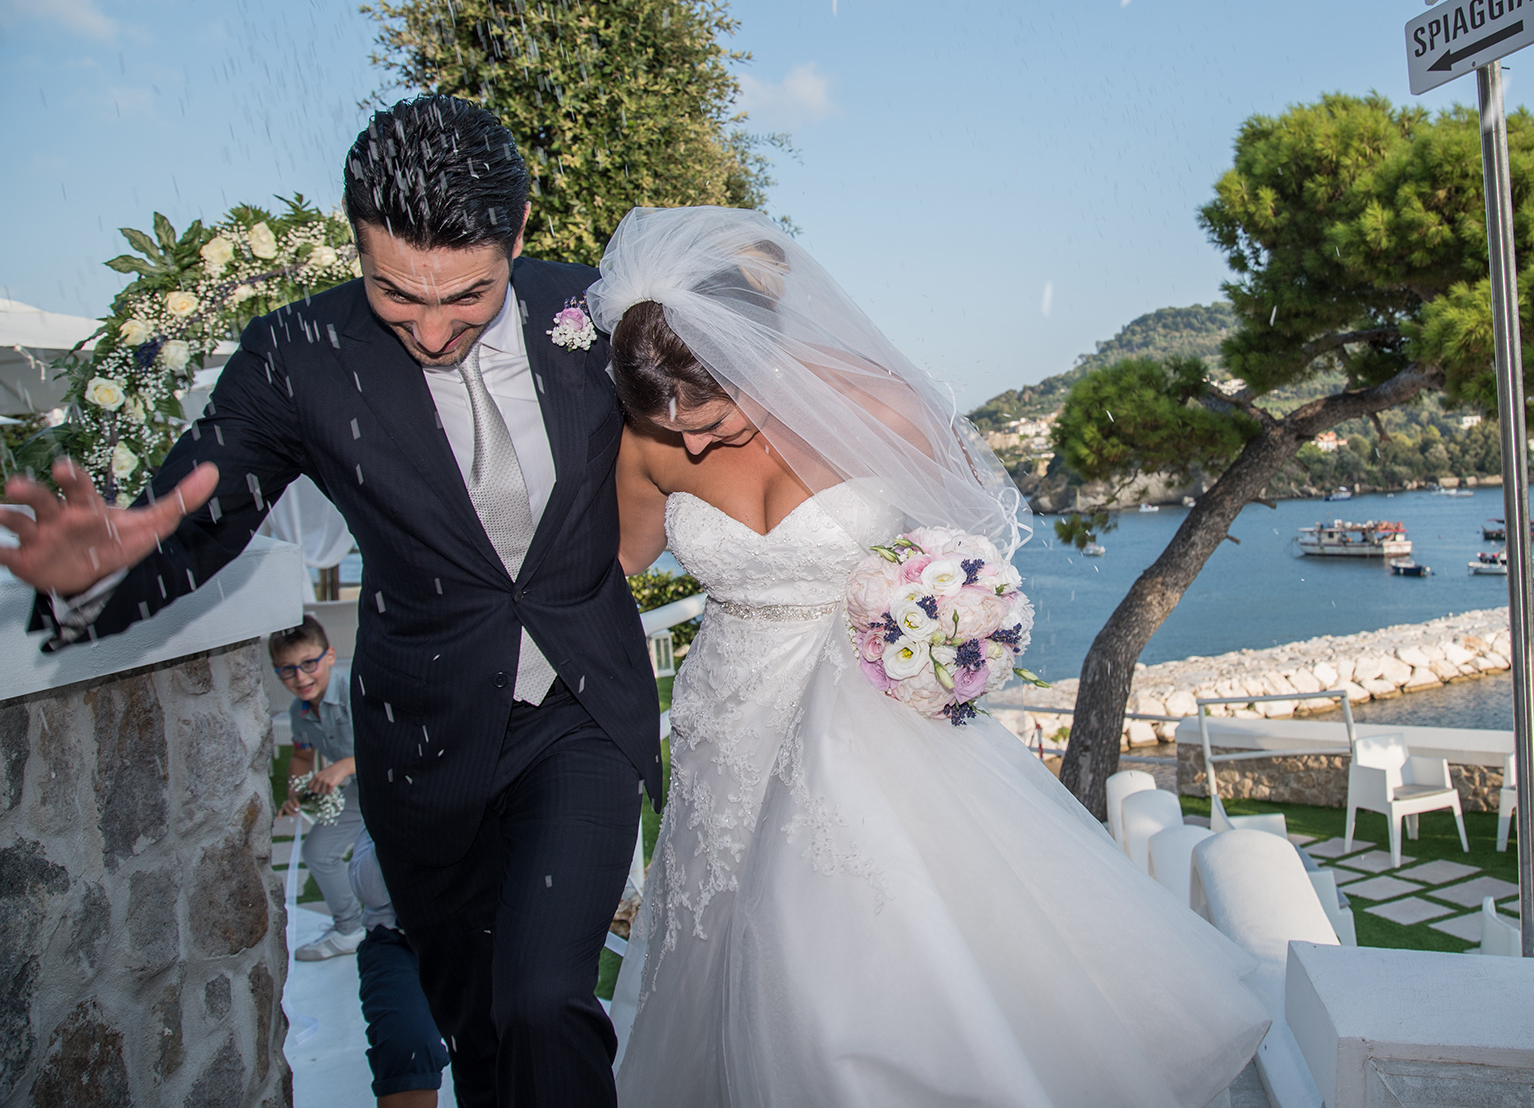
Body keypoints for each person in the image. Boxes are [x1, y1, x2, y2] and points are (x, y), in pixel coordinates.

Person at [0, 94, 659, 1108]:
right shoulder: (296, 354)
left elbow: (714, 428)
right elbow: (197, 508)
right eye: (397, 294)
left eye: (468, 296)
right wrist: (99, 572)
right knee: (476, 1021)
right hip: (425, 739)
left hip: (581, 712)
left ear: (520, 236)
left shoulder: (599, 313)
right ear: (356, 242)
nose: (434, 330)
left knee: (542, 996)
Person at [595, 206, 1270, 1107]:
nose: (694, 444)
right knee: (718, 936)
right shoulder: (652, 441)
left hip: (866, 705)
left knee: (865, 946)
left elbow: (971, 546)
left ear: (757, 356)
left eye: (713, 420)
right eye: (673, 429)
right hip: (727, 710)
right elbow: (614, 564)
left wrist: (948, 617)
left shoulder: (877, 405)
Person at [272, 614, 366, 961]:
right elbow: (301, 754)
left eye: (308, 663)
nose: (300, 676)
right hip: (358, 791)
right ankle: (349, 930)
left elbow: (394, 747)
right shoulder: (299, 711)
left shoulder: (357, 691)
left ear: (329, 655)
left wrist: (345, 765)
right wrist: (295, 792)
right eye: (287, 669)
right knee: (318, 853)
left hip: (397, 786)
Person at [349, 826, 451, 1108]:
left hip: (480, 935)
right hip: (396, 940)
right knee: (407, 1043)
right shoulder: (390, 789)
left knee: (519, 1031)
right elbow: (370, 892)